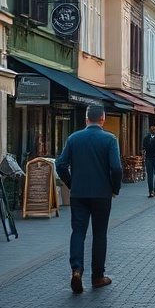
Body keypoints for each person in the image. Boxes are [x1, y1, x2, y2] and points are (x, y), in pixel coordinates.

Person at [54, 105, 122, 294]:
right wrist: (115, 188)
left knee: (78, 232)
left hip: (79, 194)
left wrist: (71, 183)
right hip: (101, 194)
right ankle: (98, 277)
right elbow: (116, 168)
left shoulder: (74, 138)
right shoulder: (109, 139)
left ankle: (76, 270)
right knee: (99, 234)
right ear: (103, 118)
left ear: (86, 119)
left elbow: (60, 164)